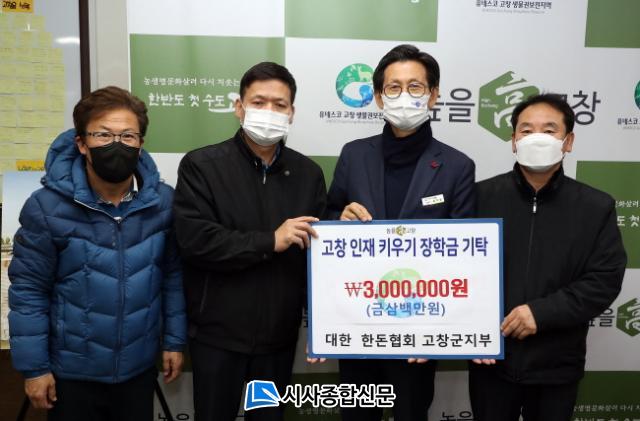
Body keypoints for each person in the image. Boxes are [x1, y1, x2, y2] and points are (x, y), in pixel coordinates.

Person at [8, 86, 187, 420]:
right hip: (72, 375)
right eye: (103, 135)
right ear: (81, 143)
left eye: (128, 136)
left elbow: (173, 276)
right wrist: (34, 368)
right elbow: (29, 290)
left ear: (141, 144)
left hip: (138, 369)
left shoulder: (163, 203)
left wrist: (174, 341)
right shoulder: (46, 207)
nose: (116, 144)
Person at [325, 44, 476, 421]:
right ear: (378, 97)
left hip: (419, 328)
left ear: (433, 95)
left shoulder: (457, 166)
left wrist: (436, 329)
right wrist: (339, 218)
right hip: (358, 319)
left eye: (415, 86)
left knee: (410, 412)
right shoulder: (354, 155)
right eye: (393, 87)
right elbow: (328, 218)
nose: (404, 96)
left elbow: (466, 257)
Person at [173, 61, 327, 421]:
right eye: (259, 102)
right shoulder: (202, 165)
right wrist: (270, 241)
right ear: (239, 107)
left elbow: (319, 258)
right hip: (217, 337)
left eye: (279, 104)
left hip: (278, 340)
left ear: (291, 113)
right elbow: (196, 241)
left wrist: (325, 326)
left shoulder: (308, 174)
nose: (269, 111)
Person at [469, 93, 626, 421]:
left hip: (557, 366)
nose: (537, 138)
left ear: (568, 142)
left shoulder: (595, 207)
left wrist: (540, 313)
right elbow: (456, 271)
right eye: (526, 130)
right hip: (491, 362)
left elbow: (604, 280)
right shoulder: (479, 197)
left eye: (549, 130)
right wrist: (472, 330)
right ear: (513, 140)